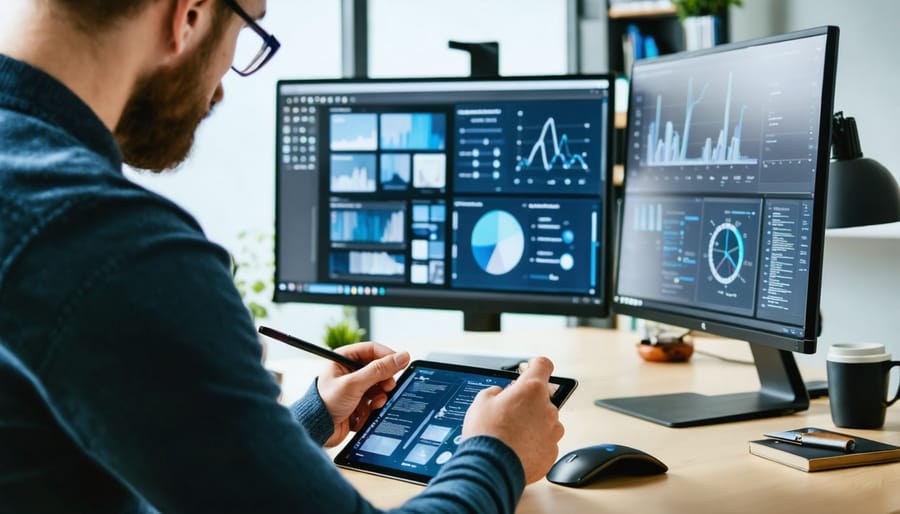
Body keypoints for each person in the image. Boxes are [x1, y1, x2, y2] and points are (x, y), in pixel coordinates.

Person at [0, 1, 565, 512]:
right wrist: (499, 451)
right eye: (248, 33)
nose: (221, 89)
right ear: (189, 15)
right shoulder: (111, 248)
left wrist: (305, 420)